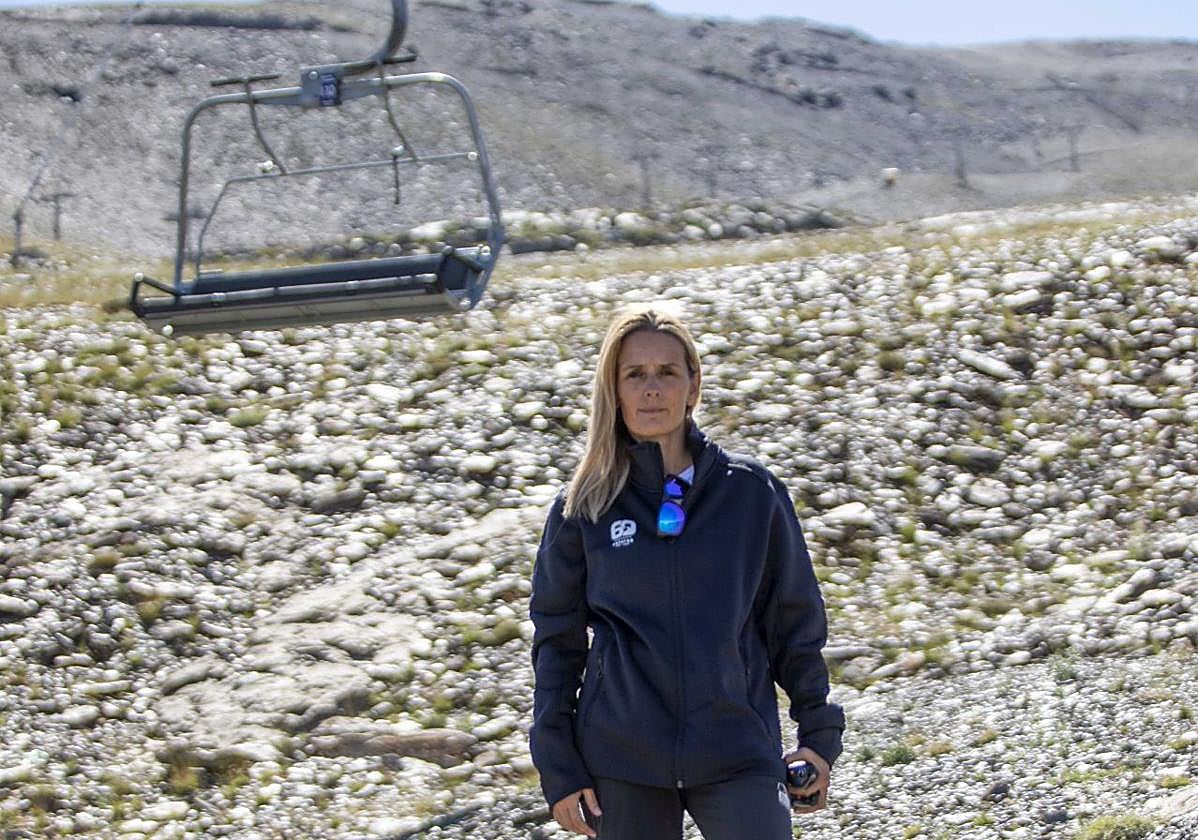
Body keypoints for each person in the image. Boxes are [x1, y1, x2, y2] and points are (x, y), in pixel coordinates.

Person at [528, 305, 845, 840]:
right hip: (621, 759)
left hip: (736, 748)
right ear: (615, 390)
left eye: (667, 372)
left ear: (693, 385)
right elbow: (557, 642)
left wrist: (817, 733)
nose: (651, 389)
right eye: (635, 375)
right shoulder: (583, 505)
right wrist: (560, 766)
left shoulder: (750, 492)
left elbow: (793, 621)